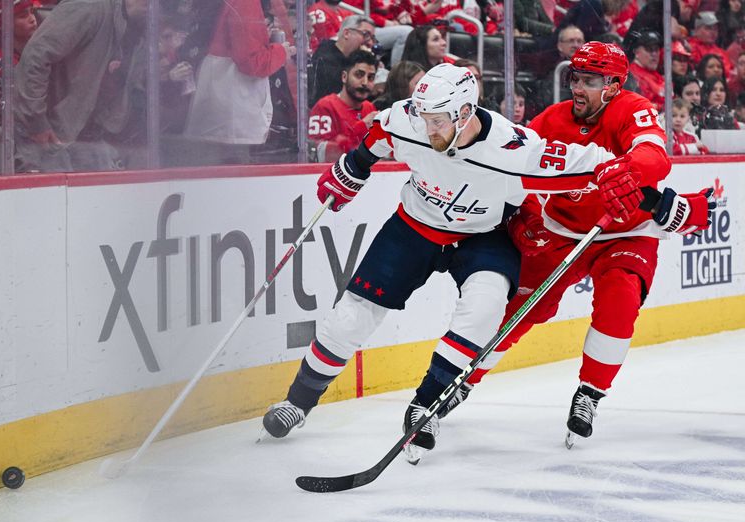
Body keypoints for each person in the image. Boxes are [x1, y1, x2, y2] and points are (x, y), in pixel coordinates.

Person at [260, 62, 678, 447]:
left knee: (486, 307)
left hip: (483, 235)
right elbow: (378, 137)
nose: (427, 129)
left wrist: (628, 180)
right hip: (414, 227)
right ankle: (298, 402)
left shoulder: (514, 149)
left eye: (437, 121)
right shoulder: (411, 118)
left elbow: (591, 162)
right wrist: (352, 169)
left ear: (463, 113)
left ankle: (426, 405)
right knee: (352, 314)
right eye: (423, 118)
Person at [410, 42, 714, 455]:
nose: (578, 87)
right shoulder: (551, 119)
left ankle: (590, 392)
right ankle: (460, 383)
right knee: (518, 310)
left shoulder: (632, 108)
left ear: (612, 86)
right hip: (561, 229)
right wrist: (531, 216)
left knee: (621, 297)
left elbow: (654, 156)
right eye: (575, 78)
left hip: (626, 233)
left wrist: (626, 170)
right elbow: (518, 172)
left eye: (589, 80)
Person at [14, 0, 148, 172]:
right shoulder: (89, 6)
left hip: (87, 133)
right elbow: (35, 56)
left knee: (99, 195)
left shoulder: (142, 30)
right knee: (50, 196)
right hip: (46, 130)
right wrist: (36, 120)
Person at [183, 0, 293, 164]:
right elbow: (253, 62)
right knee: (231, 174)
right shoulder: (245, 2)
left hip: (220, 106)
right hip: (232, 112)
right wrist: (281, 51)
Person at [308, 50, 378, 162]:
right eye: (359, 75)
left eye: (370, 77)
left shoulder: (369, 108)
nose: (365, 82)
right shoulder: (325, 107)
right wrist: (361, 127)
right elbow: (320, 156)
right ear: (344, 77)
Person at [0, 0, 38, 119]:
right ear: (5, 25)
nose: (32, 19)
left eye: (32, 12)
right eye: (23, 16)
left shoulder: (41, 52)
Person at [309, 15, 375, 107]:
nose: (370, 43)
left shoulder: (350, 58)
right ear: (346, 33)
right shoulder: (325, 58)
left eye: (372, 38)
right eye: (365, 35)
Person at [627, 30, 665, 111]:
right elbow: (640, 107)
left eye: (656, 49)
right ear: (636, 52)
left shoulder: (656, 74)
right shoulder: (632, 75)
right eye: (649, 49)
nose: (654, 54)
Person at [687, 12, 733, 76]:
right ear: (696, 30)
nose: (713, 32)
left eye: (715, 29)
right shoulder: (689, 48)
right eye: (708, 28)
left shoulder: (721, 52)